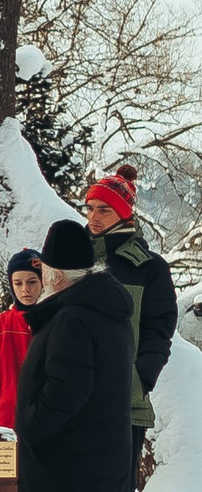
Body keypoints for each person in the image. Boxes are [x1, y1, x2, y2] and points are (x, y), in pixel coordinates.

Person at [15, 220, 135, 492]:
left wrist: (29, 425)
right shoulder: (100, 311)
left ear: (56, 274)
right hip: (90, 464)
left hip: (70, 467)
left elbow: (65, 394)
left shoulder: (73, 318)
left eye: (44, 266)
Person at [84, 164, 176, 476]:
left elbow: (159, 331)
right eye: (90, 208)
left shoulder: (149, 268)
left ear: (124, 213)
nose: (94, 218)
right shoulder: (70, 259)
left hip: (125, 405)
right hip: (71, 399)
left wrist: (139, 383)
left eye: (104, 210)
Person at [0, 250, 41, 429]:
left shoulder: (55, 320)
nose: (25, 289)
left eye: (32, 282)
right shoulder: (0, 326)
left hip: (45, 420)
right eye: (18, 283)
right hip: (6, 421)